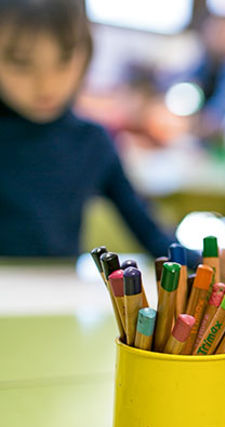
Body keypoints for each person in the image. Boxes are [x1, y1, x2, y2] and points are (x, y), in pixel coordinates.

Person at [0, 0, 179, 258]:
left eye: (64, 59)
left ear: (86, 50)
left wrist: (205, 263)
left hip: (61, 293)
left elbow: (150, 233)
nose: (46, 84)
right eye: (21, 63)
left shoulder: (91, 141)